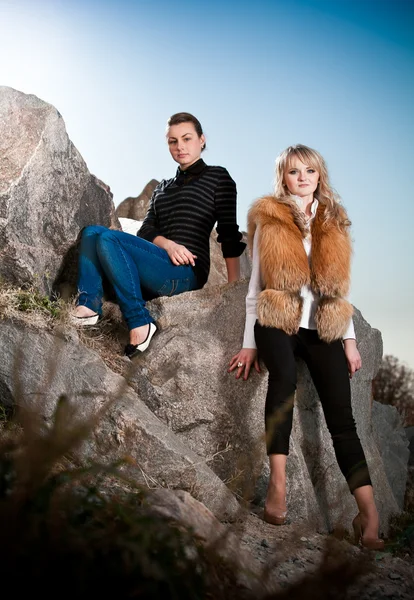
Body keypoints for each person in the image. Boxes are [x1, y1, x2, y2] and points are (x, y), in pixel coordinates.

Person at [228, 144, 384, 550]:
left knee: (342, 421)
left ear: (319, 176)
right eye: (294, 171)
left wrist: (349, 341)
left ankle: (369, 517)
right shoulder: (269, 218)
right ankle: (277, 485)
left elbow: (338, 290)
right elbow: (254, 285)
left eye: (309, 171)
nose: (302, 178)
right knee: (282, 382)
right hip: (277, 318)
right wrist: (249, 344)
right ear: (283, 177)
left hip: (322, 328)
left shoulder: (334, 222)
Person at [72, 112, 246, 358]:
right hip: (157, 262)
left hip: (186, 271)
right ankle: (88, 306)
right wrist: (169, 245)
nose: (180, 146)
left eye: (187, 138)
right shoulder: (162, 188)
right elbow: (146, 230)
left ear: (202, 140)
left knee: (109, 238)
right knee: (91, 233)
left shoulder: (219, 178)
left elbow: (229, 234)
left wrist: (233, 290)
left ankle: (140, 321)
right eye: (173, 141)